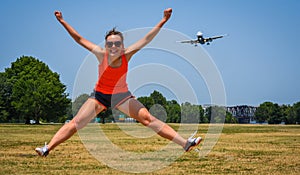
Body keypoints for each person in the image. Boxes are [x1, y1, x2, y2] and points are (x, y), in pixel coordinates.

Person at [35, 8, 202, 157]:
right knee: (76, 123)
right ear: (106, 45)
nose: (113, 46)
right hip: (99, 96)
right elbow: (78, 38)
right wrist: (63, 21)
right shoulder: (101, 54)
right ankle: (47, 149)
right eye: (110, 43)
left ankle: (185, 143)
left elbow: (147, 39)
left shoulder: (127, 55)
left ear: (122, 46)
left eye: (117, 43)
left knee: (147, 118)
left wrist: (163, 20)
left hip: (121, 96)